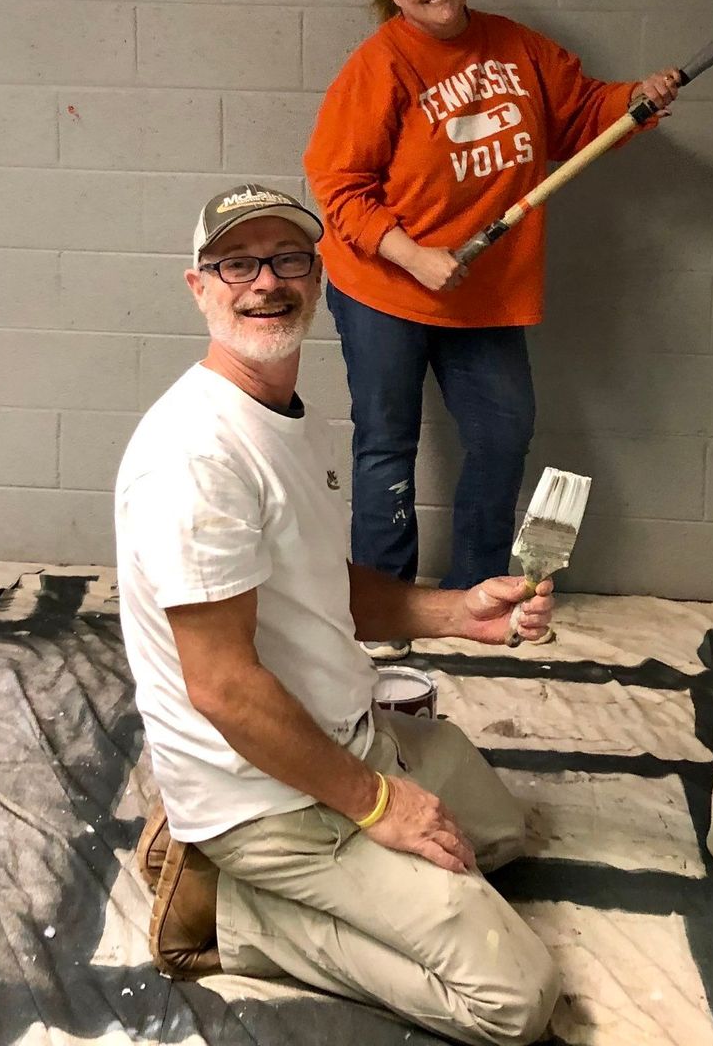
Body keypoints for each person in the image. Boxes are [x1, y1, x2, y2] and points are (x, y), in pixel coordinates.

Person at [115, 182, 563, 1046]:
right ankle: (235, 912)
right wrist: (375, 804)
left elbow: (326, 580)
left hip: (344, 733)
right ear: (198, 286)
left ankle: (350, 839)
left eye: (287, 260)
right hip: (266, 796)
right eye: (236, 264)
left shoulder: (286, 415)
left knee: (501, 835)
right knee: (514, 999)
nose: (265, 283)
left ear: (316, 279)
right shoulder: (194, 458)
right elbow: (223, 689)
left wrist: (457, 611)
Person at [303, 0, 684, 641]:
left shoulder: (515, 46)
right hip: (385, 284)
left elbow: (581, 116)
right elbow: (338, 185)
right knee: (387, 444)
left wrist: (634, 101)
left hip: (480, 290)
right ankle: (380, 612)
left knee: (503, 433)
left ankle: (476, 597)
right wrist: (414, 254)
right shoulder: (382, 64)